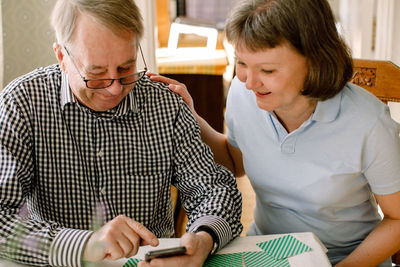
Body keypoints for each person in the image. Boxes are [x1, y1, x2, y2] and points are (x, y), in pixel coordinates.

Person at [148, 0, 400, 266]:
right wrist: (191, 119)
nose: (249, 80)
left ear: (315, 60)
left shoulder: (369, 123)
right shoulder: (242, 94)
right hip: (265, 252)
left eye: (267, 70)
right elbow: (236, 163)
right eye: (241, 62)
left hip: (345, 258)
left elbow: (397, 219)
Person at [0, 0, 243, 266]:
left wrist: (204, 238)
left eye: (126, 68)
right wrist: (85, 244)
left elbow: (214, 190)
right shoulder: (21, 105)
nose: (115, 89)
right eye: (97, 73)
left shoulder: (165, 105)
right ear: (62, 57)